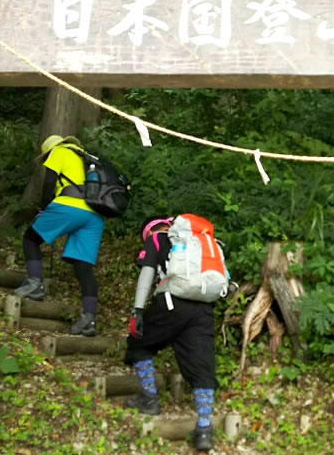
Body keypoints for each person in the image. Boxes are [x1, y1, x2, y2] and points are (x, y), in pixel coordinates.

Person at [123, 216, 218, 452]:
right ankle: (204, 428)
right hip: (203, 308)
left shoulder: (156, 238)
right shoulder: (201, 242)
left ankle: (150, 399)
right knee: (202, 366)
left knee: (138, 343)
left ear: (151, 230)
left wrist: (137, 310)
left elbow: (146, 273)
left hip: (170, 302)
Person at [14, 135, 105, 337]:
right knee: (83, 266)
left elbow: (49, 184)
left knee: (31, 238)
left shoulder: (59, 152)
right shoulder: (87, 159)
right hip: (96, 214)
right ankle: (89, 319)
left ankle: (34, 284)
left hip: (70, 205)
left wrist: (44, 210)